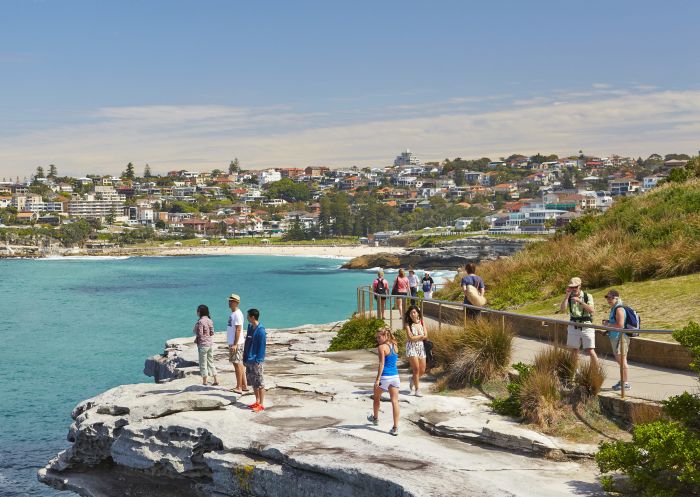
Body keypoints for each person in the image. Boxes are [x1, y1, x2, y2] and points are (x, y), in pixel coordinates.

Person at [559, 277, 599, 369]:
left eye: (575, 287)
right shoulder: (569, 297)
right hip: (573, 325)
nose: (573, 289)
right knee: (574, 350)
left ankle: (596, 371)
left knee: (590, 350)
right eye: (571, 287)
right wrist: (566, 296)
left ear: (580, 286)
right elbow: (562, 309)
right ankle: (575, 371)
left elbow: (592, 311)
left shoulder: (587, 296)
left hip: (586, 325)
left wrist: (580, 301)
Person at [367, 326, 400, 436]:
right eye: (377, 337)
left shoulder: (382, 347)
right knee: (395, 401)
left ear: (385, 335)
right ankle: (395, 428)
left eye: (379, 337)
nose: (377, 339)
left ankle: (375, 418)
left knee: (376, 397)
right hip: (395, 377)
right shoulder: (395, 344)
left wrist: (377, 379)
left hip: (385, 377)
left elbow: (381, 364)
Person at [603, 289, 631, 391]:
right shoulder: (614, 308)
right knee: (621, 360)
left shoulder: (619, 309)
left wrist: (608, 324)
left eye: (611, 297)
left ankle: (625, 383)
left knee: (622, 361)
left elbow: (620, 325)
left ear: (617, 298)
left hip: (620, 338)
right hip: (616, 337)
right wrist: (608, 322)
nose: (609, 299)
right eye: (607, 297)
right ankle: (623, 380)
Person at [242, 308, 267, 412]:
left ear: (252, 317)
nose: (247, 317)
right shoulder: (250, 327)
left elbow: (262, 346)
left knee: (260, 382)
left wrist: (258, 360)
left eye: (248, 316)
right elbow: (247, 342)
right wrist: (244, 356)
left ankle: (261, 404)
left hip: (256, 360)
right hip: (249, 359)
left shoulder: (261, 330)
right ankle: (256, 401)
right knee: (253, 382)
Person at [404, 305, 427, 397]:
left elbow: (426, 336)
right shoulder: (407, 324)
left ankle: (412, 379)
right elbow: (410, 338)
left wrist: (416, 337)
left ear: (418, 313)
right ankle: (417, 389)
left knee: (422, 370)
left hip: (421, 347)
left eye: (414, 312)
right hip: (411, 347)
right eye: (410, 313)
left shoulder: (422, 322)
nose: (412, 314)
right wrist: (420, 336)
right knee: (416, 369)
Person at [193, 304, 219, 386]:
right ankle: (215, 379)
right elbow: (212, 333)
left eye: (197, 310)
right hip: (209, 344)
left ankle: (205, 381)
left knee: (203, 363)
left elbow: (200, 333)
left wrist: (196, 331)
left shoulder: (200, 321)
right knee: (210, 361)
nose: (196, 312)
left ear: (200, 312)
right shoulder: (210, 321)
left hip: (202, 345)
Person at [226, 293, 247, 394]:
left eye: (231, 301)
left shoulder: (237, 314)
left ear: (236, 303)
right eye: (229, 301)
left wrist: (234, 344)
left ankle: (239, 387)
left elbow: (238, 330)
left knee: (237, 364)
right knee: (238, 364)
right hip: (235, 343)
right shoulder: (234, 313)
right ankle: (244, 385)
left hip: (236, 343)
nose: (229, 302)